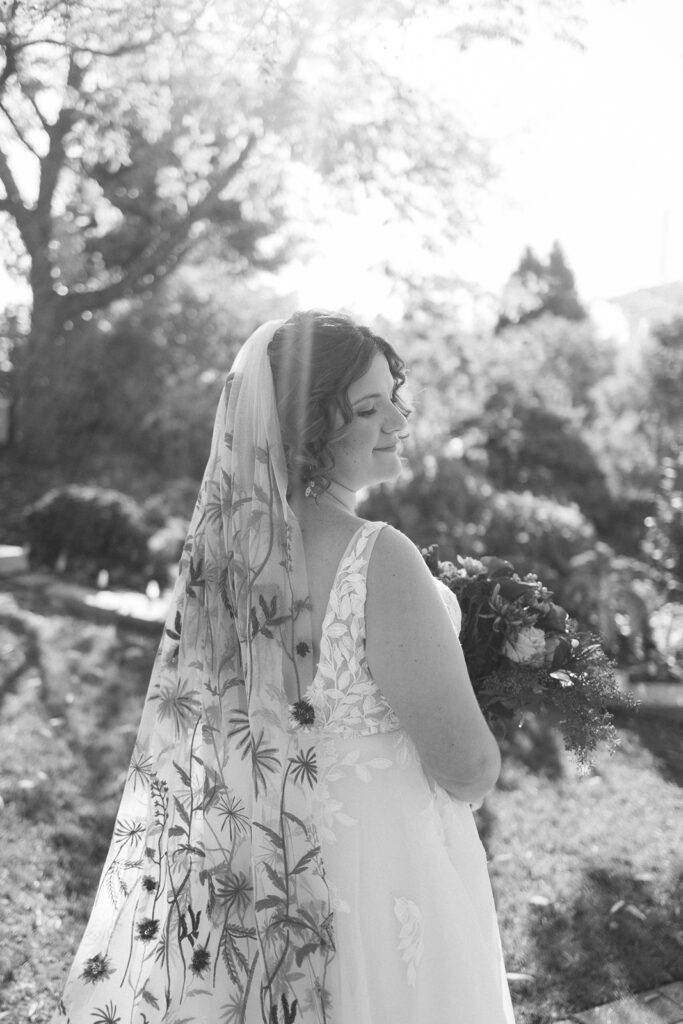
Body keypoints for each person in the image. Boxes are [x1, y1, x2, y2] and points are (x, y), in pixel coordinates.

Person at [54, 311, 514, 1024]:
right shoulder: (378, 556)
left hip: (248, 869)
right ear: (306, 431)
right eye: (367, 407)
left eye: (394, 393)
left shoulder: (222, 556)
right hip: (376, 871)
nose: (398, 417)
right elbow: (466, 766)